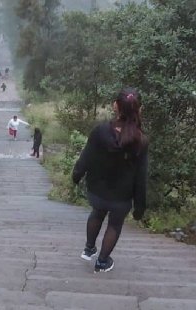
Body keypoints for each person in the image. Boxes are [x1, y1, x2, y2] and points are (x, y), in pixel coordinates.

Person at [72, 87, 148, 273]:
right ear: (140, 109)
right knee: (114, 225)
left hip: (97, 191)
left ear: (115, 105)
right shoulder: (141, 140)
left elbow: (86, 157)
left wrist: (76, 175)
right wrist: (140, 207)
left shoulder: (100, 131)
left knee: (96, 213)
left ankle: (89, 249)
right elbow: (141, 176)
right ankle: (102, 262)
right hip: (121, 197)